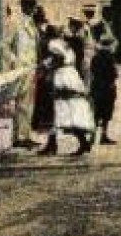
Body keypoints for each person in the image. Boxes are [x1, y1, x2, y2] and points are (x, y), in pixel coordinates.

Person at [38, 27, 94, 157]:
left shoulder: (53, 44)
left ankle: (57, 144)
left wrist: (46, 67)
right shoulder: (65, 44)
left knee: (61, 110)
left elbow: (59, 58)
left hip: (63, 76)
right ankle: (55, 143)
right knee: (68, 110)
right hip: (71, 75)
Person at [6, 0, 42, 149]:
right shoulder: (15, 23)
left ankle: (24, 135)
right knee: (21, 103)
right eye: (29, 5)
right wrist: (15, 62)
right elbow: (3, 46)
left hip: (31, 68)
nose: (31, 8)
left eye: (32, 5)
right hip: (21, 69)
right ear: (23, 6)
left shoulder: (31, 24)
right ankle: (20, 137)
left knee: (27, 104)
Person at [88, 8, 118, 145]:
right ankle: (102, 135)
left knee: (97, 112)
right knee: (106, 113)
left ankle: (93, 135)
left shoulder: (96, 58)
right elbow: (114, 74)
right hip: (107, 89)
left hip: (97, 88)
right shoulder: (109, 59)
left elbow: (93, 72)